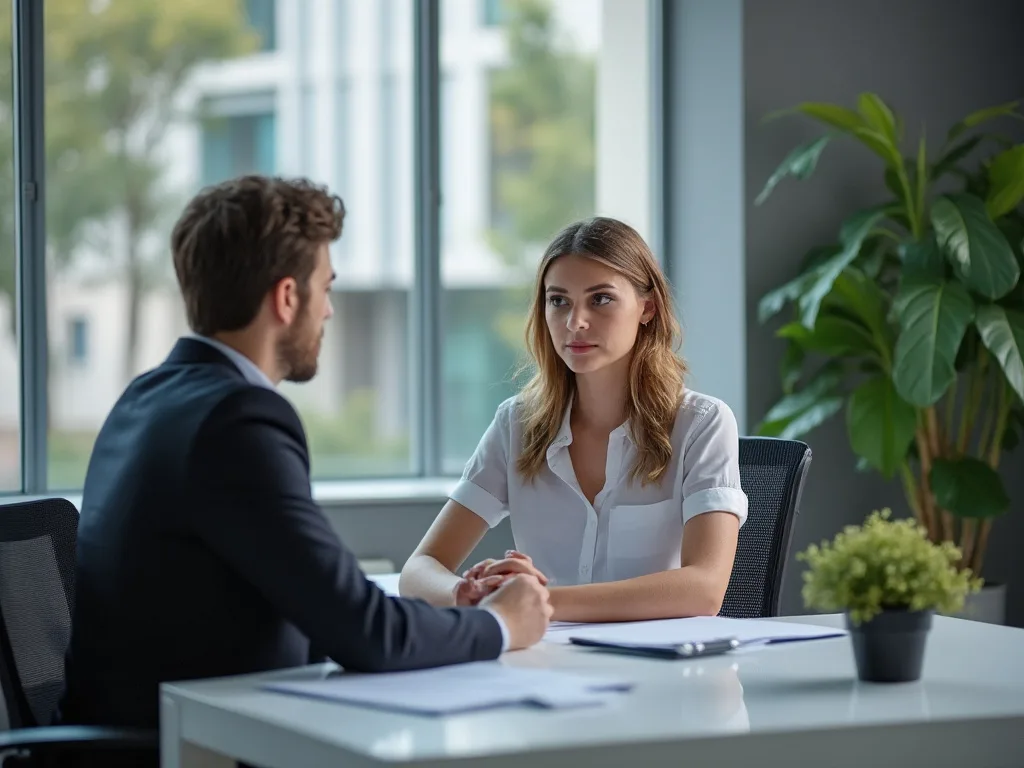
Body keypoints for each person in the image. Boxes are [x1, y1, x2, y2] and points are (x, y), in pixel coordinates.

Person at [56, 176, 552, 746]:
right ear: (287, 298)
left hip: (170, 733)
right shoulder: (237, 419)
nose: (330, 311)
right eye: (326, 288)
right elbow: (365, 632)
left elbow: (317, 600)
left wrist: (450, 614)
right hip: (191, 749)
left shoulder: (146, 397)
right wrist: (500, 624)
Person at [399, 217, 746, 623]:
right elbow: (419, 569)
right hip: (546, 666)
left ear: (647, 308)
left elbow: (704, 589)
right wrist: (469, 593)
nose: (574, 322)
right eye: (558, 300)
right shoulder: (517, 425)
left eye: (600, 299)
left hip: (662, 676)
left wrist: (535, 601)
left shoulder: (702, 425)